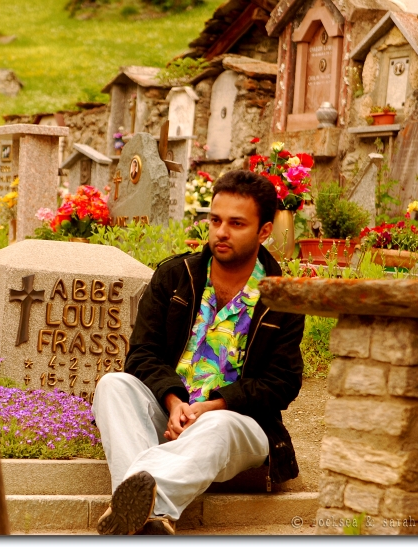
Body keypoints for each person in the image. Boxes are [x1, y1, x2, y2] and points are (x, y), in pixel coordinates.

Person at [93, 169, 305, 535]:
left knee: (216, 426)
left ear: (264, 231)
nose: (221, 232)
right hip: (170, 412)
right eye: (215, 220)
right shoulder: (176, 277)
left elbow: (281, 383)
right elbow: (142, 354)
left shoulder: (283, 298)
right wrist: (174, 401)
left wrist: (213, 406)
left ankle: (135, 503)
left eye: (237, 223)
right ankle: (150, 516)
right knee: (113, 385)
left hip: (236, 426)